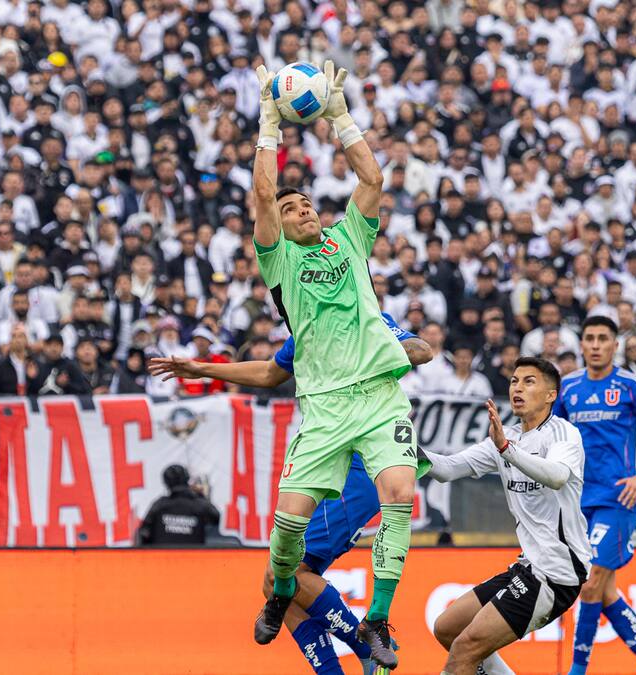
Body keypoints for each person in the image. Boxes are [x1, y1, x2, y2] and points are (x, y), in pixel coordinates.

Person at [148, 311, 431, 675]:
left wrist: (367, 346)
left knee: (283, 577)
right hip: (328, 460)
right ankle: (339, 665)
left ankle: (366, 642)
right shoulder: (307, 325)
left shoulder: (364, 315)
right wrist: (203, 369)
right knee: (277, 584)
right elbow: (269, 372)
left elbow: (421, 350)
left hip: (358, 465)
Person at [250, 60, 416, 667]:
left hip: (378, 395)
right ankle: (284, 592)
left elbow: (371, 178)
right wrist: (269, 123)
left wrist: (342, 118)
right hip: (322, 405)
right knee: (287, 531)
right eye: (292, 210)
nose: (303, 212)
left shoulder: (348, 240)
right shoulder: (281, 265)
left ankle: (375, 622)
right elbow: (264, 193)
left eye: (307, 206)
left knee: (399, 495)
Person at [425, 358, 588, 675]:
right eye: (514, 381)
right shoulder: (505, 436)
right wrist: (404, 446)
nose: (518, 387)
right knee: (448, 628)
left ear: (551, 394)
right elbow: (446, 469)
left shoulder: (564, 434)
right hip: (529, 566)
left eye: (529, 381)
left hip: (557, 572)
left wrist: (506, 450)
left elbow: (555, 477)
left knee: (465, 648)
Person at [553, 316, 636, 675]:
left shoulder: (631, 385)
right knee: (606, 593)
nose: (595, 345)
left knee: (591, 585)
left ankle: (577, 672)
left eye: (602, 339)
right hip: (576, 503)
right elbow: (552, 438)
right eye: (589, 338)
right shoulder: (568, 388)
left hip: (616, 500)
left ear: (614, 345)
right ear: (581, 345)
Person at [135, 465, 220, 546]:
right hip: (193, 558)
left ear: (166, 483)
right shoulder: (199, 505)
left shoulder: (159, 505)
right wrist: (200, 495)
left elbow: (143, 533)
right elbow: (216, 518)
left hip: (162, 558)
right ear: (187, 480)